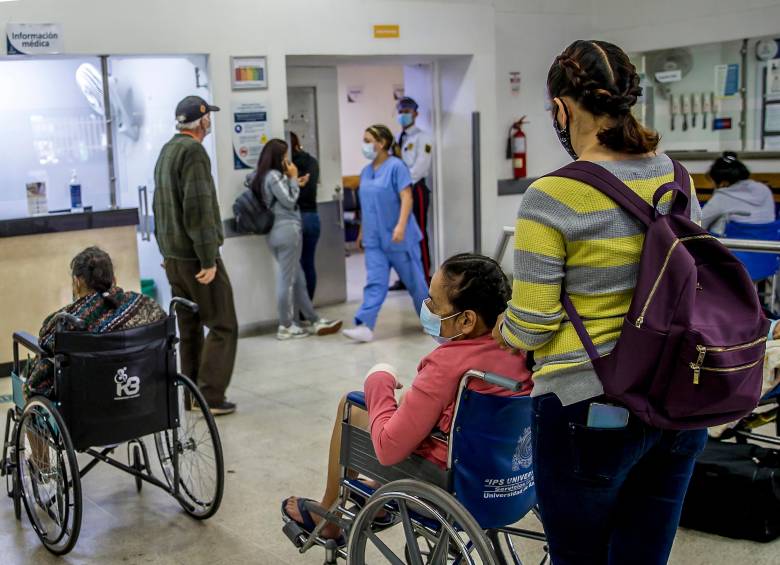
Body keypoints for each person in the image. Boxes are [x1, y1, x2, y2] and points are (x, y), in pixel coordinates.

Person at [493, 40, 706, 565]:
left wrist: (503, 328)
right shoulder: (676, 178)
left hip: (589, 408)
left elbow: (535, 323)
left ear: (563, 109)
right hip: (679, 400)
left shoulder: (551, 196)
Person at [283, 253, 533, 541]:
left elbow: (388, 449)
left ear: (466, 320)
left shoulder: (446, 364)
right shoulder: (522, 351)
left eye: (433, 303)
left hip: (450, 488)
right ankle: (372, 490)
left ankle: (328, 514)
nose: (425, 308)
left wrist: (379, 381)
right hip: (509, 484)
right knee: (411, 410)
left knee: (351, 407)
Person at [153, 95, 238, 416]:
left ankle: (191, 395)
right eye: (208, 117)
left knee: (189, 328)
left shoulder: (167, 151)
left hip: (174, 260)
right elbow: (198, 209)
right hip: (195, 259)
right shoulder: (193, 153)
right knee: (223, 323)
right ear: (201, 121)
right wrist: (208, 259)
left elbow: (160, 206)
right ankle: (211, 396)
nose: (210, 122)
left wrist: (165, 251)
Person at [24, 247, 166, 399]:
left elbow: (46, 342)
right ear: (114, 279)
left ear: (77, 282)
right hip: (141, 394)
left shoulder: (65, 321)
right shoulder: (143, 304)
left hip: (88, 401)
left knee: (41, 365)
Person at [342, 125, 428, 343]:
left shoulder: (396, 167)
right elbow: (367, 205)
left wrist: (400, 226)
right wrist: (361, 232)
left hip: (400, 238)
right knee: (375, 283)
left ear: (380, 144)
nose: (364, 144)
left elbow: (407, 198)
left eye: (367, 139)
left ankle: (433, 323)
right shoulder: (366, 171)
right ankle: (365, 325)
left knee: (416, 284)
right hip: (374, 240)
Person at [252, 138, 342, 340]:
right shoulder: (274, 176)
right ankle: (285, 326)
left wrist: (294, 182)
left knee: (299, 278)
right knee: (287, 280)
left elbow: (283, 196)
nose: (288, 160)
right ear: (278, 158)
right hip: (286, 231)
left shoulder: (265, 176)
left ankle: (313, 319)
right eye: (285, 157)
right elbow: (291, 200)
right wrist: (293, 178)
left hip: (277, 232)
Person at [389, 97, 434, 290]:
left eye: (407, 111)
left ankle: (424, 276)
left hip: (415, 189)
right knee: (403, 234)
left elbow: (420, 167)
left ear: (416, 113)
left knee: (419, 233)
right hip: (400, 190)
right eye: (401, 111)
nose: (403, 115)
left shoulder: (422, 138)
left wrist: (404, 185)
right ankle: (405, 277)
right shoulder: (398, 139)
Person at [700, 151, 775, 235]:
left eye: (712, 182)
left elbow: (697, 226)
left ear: (723, 183)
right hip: (769, 242)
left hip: (735, 245)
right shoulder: (764, 189)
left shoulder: (722, 197)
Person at [290, 131, 321, 300]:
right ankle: (306, 307)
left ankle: (297, 307)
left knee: (291, 266)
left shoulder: (287, 166)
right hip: (312, 216)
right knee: (308, 263)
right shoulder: (312, 162)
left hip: (293, 218)